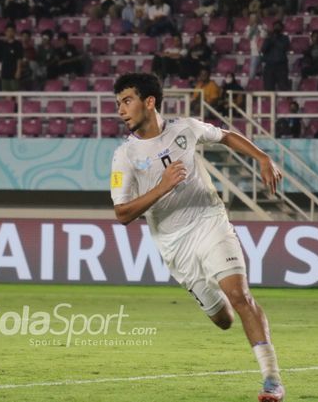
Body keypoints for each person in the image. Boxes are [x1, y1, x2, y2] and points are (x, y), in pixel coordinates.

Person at [110, 73, 285, 402]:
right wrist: (162, 187)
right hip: (174, 244)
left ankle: (271, 380)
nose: (121, 109)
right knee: (223, 319)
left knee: (240, 295)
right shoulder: (125, 156)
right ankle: (214, 302)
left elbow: (226, 136)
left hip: (210, 221)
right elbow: (122, 213)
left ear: (150, 102)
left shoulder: (185, 128)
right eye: (118, 103)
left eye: (127, 100)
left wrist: (262, 157)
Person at [261, 21, 290, 91]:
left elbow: (283, 47)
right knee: (268, 88)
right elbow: (263, 49)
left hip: (281, 66)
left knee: (283, 87)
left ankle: (286, 102)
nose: (277, 28)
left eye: (279, 26)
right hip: (269, 66)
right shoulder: (269, 38)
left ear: (282, 28)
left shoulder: (285, 38)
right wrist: (270, 38)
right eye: (275, 26)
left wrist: (275, 38)